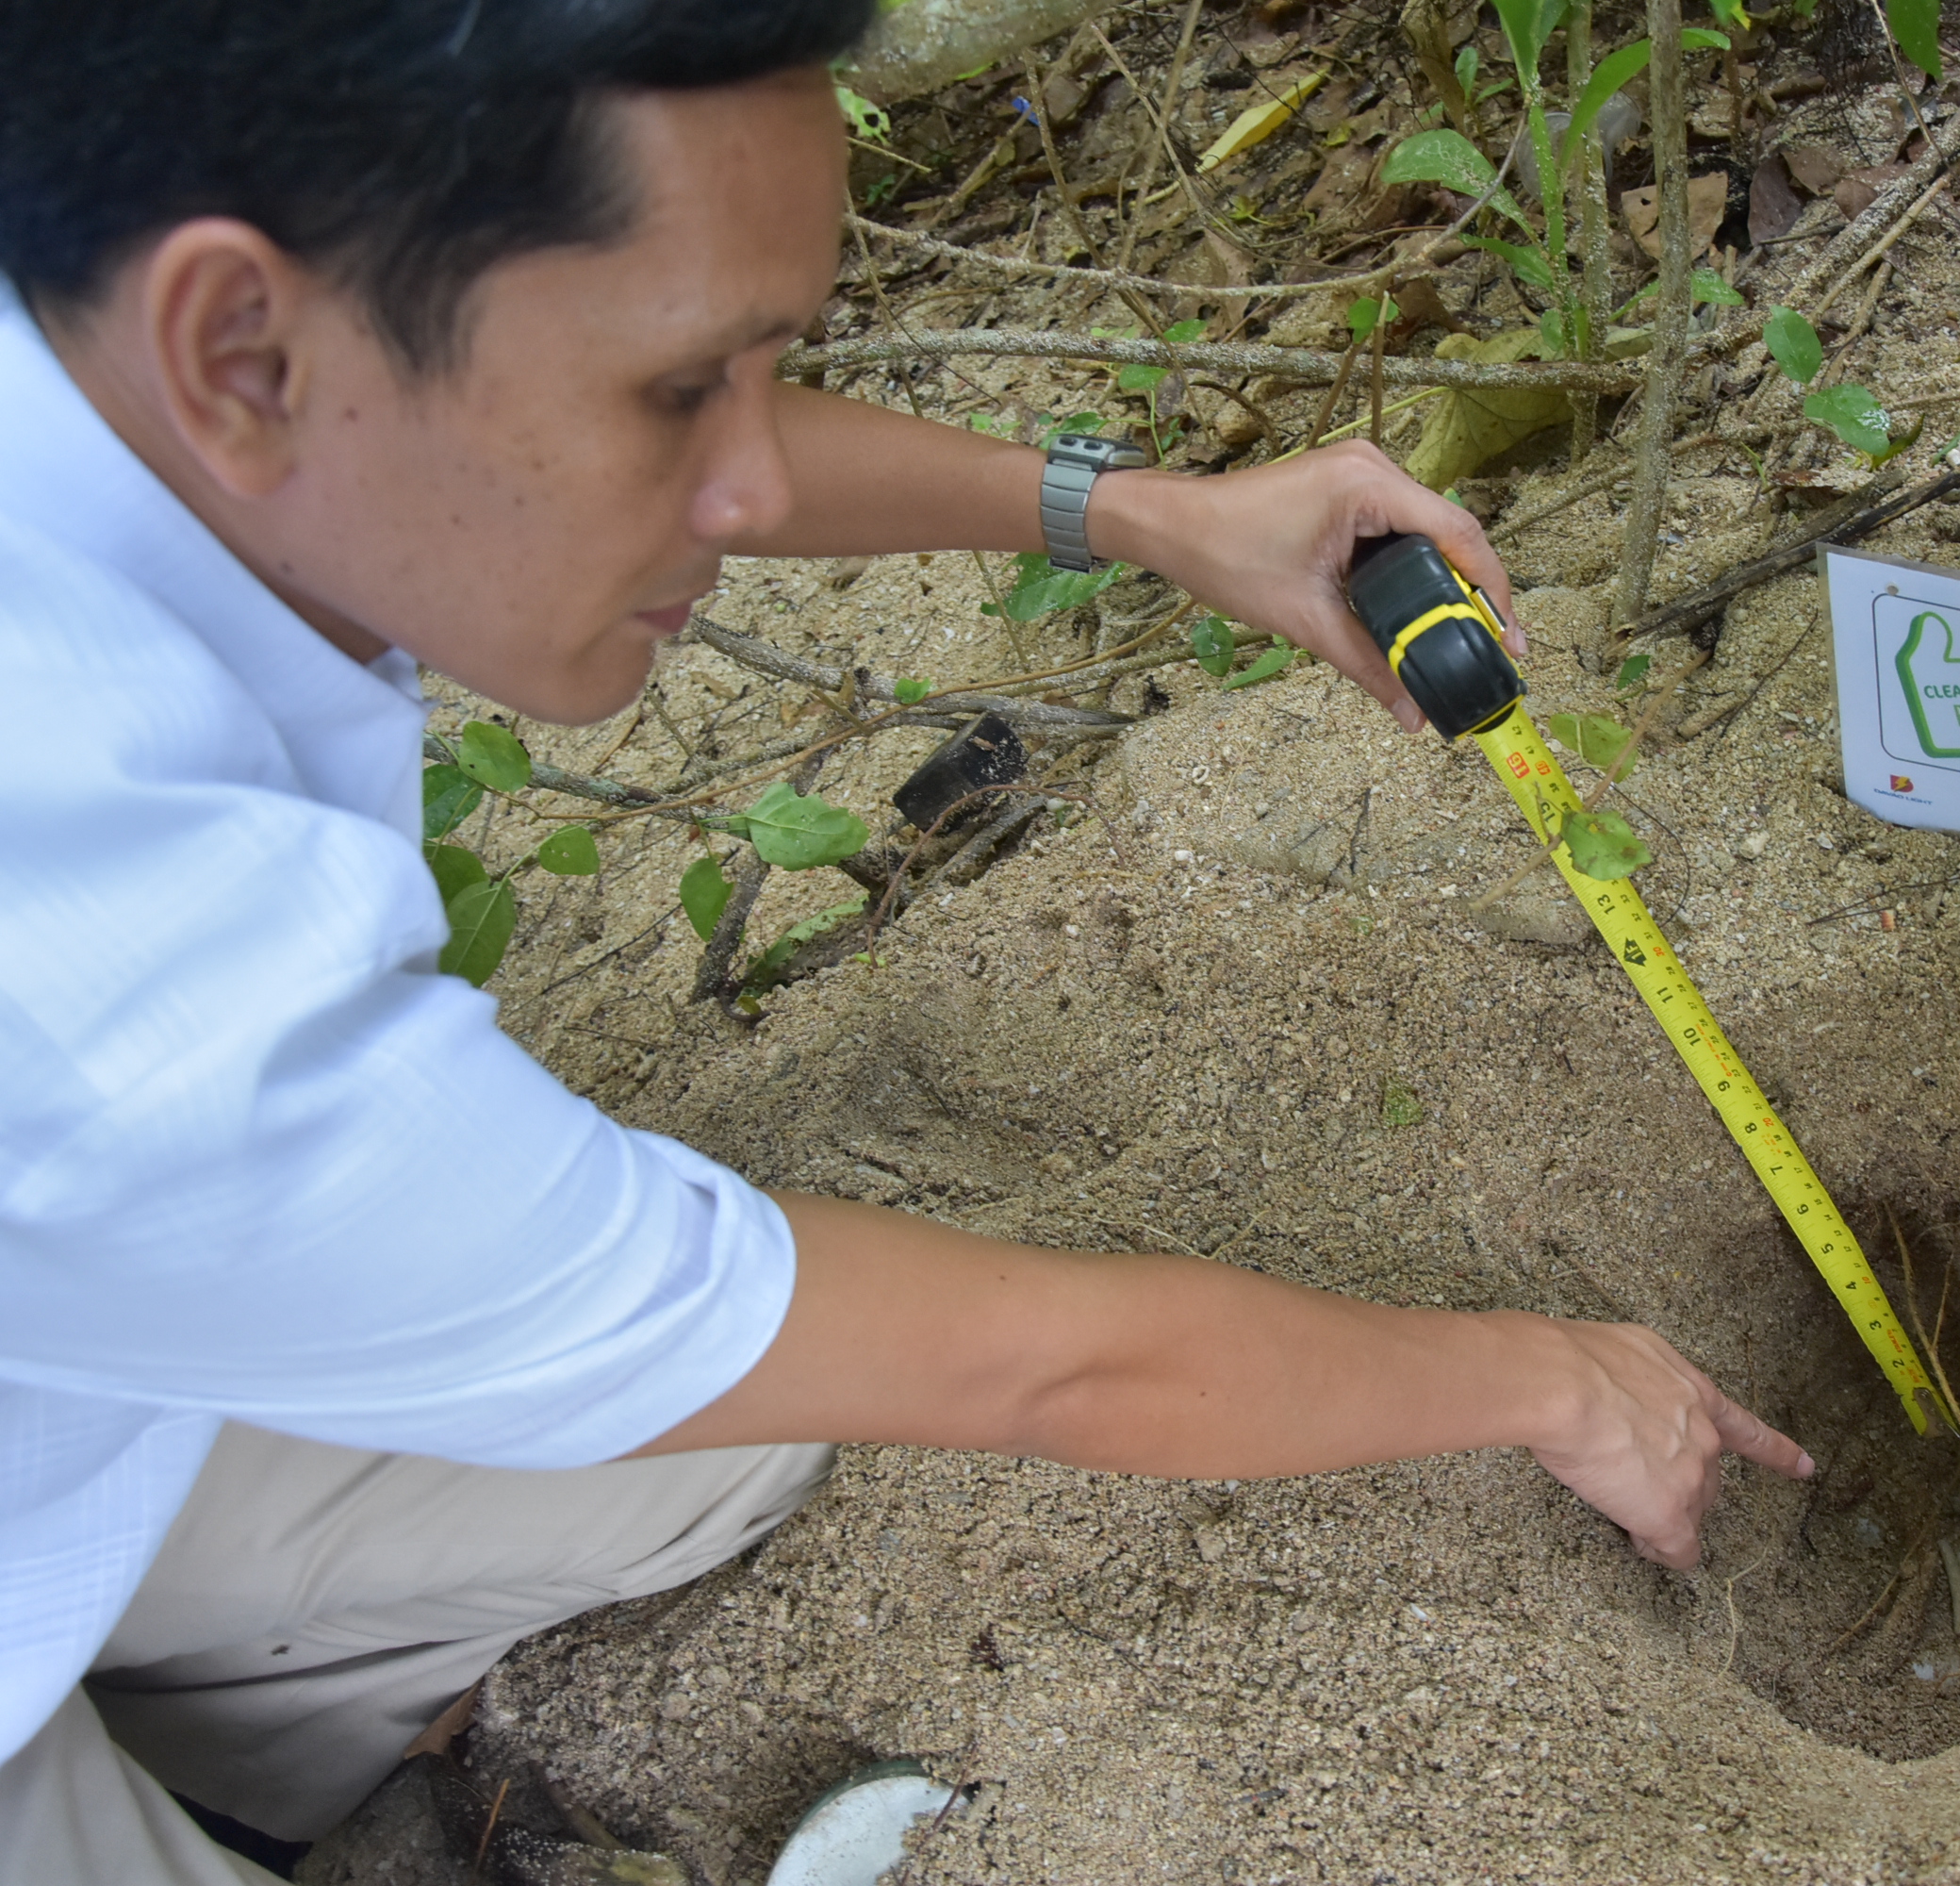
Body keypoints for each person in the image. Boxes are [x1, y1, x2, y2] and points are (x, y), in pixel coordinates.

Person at [0, 4, 1812, 1878]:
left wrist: (1143, 514)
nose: (756, 488)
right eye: (676, 393)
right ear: (241, 345)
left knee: (710, 1440)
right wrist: (1547, 1377)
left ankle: (175, 1711)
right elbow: (1047, 1371)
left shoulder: (105, 366)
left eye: (755, 370)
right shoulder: (148, 994)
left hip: (62, 1327)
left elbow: (618, 409)